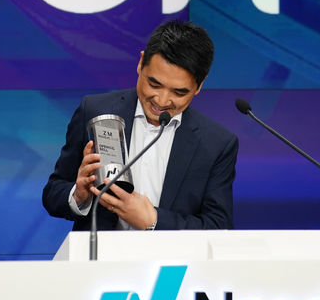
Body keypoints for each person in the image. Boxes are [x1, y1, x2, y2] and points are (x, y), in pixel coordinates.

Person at [42, 20, 237, 231]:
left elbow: (218, 227)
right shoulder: (95, 111)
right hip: (98, 260)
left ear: (199, 85)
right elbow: (53, 193)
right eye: (154, 84)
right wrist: (78, 195)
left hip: (172, 263)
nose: (162, 101)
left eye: (179, 92)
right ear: (141, 63)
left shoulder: (216, 145)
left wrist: (153, 220)